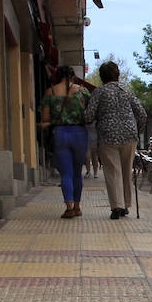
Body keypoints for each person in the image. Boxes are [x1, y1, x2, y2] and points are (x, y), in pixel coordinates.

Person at [84, 60, 148, 219]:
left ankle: (117, 206)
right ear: (117, 75)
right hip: (129, 135)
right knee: (127, 171)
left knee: (113, 171)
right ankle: (126, 204)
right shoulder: (126, 90)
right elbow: (142, 114)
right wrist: (136, 131)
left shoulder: (99, 92)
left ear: (102, 77)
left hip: (108, 135)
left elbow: (88, 116)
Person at [39, 64, 91, 218]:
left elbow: (46, 118)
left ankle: (68, 207)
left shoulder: (51, 92)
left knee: (66, 173)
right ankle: (77, 206)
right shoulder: (82, 91)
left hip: (60, 133)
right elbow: (90, 112)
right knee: (77, 172)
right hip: (80, 133)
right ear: (73, 76)